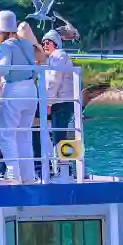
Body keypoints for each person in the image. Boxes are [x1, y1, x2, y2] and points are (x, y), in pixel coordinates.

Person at [0, 12, 41, 182]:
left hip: (14, 89)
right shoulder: (26, 43)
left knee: (7, 134)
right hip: (31, 90)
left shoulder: (7, 45)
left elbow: (3, 69)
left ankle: (13, 174)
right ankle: (28, 175)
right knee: (24, 136)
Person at [41, 30, 76, 181]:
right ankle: (65, 169)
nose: (45, 45)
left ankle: (65, 171)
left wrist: (47, 102)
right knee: (61, 137)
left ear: (56, 43)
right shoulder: (56, 57)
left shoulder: (58, 56)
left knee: (60, 137)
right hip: (62, 101)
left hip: (61, 102)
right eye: (43, 42)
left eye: (48, 42)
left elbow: (53, 81)